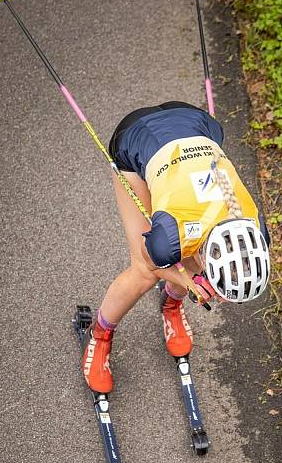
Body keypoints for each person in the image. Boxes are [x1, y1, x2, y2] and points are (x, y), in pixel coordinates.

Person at [81, 101, 271, 394]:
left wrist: (196, 277)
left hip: (197, 125)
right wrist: (189, 280)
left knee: (193, 261)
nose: (220, 299)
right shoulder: (173, 234)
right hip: (136, 137)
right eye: (222, 293)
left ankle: (171, 303)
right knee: (145, 273)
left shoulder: (256, 228)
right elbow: (153, 262)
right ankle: (101, 335)